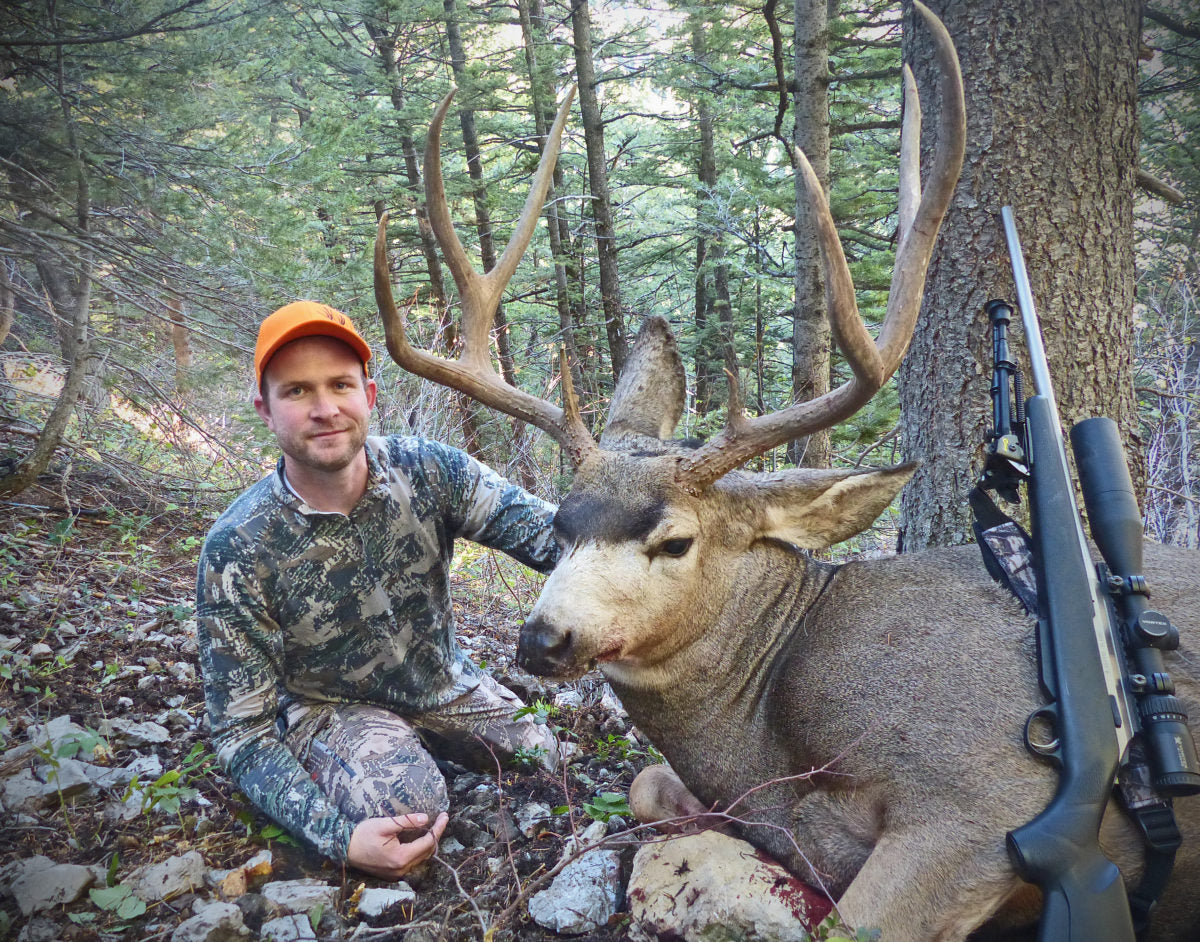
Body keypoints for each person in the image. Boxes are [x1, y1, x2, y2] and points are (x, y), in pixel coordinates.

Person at [196, 301, 561, 880]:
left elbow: (554, 539)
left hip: (441, 684)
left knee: (547, 758)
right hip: (332, 709)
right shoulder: (238, 546)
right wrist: (338, 837)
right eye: (296, 392)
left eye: (340, 384)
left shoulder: (431, 470)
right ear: (264, 409)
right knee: (410, 818)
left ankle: (422, 743)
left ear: (369, 394)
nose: (325, 409)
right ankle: (369, 764)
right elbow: (241, 731)